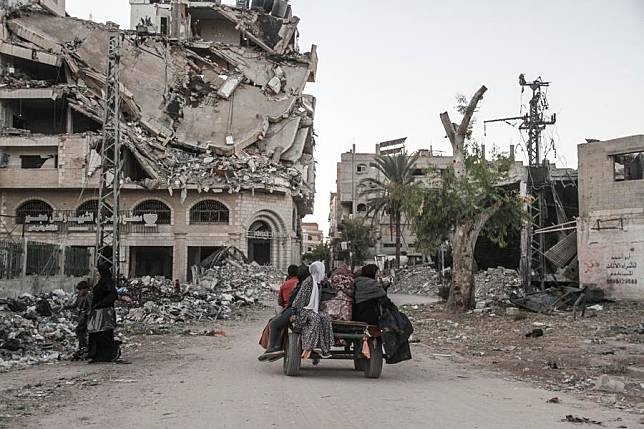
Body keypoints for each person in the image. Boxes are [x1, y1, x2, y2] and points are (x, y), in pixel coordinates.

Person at [258, 265, 310, 362]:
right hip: (307, 310)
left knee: (274, 323)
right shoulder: (314, 284)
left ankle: (274, 347)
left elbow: (288, 302)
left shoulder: (298, 286)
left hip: (295, 310)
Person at [291, 261, 333, 358]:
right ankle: (308, 346)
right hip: (303, 311)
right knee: (315, 318)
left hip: (314, 310)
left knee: (326, 318)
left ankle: (325, 348)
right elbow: (298, 300)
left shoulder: (319, 283)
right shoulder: (308, 282)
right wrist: (294, 312)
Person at [86, 264, 120, 363]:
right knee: (96, 333)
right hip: (98, 312)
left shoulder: (108, 282)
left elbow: (112, 295)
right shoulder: (101, 282)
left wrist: (100, 304)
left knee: (104, 333)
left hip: (105, 312)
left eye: (98, 271)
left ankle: (108, 354)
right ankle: (97, 355)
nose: (97, 273)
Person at [65, 281, 92, 358]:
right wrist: (65, 307)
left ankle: (84, 347)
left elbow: (90, 307)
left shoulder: (88, 296)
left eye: (82, 290)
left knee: (80, 330)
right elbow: (75, 305)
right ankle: (83, 348)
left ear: (86, 289)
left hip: (85, 317)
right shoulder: (79, 296)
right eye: (79, 290)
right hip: (81, 316)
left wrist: (88, 315)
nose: (80, 291)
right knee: (80, 332)